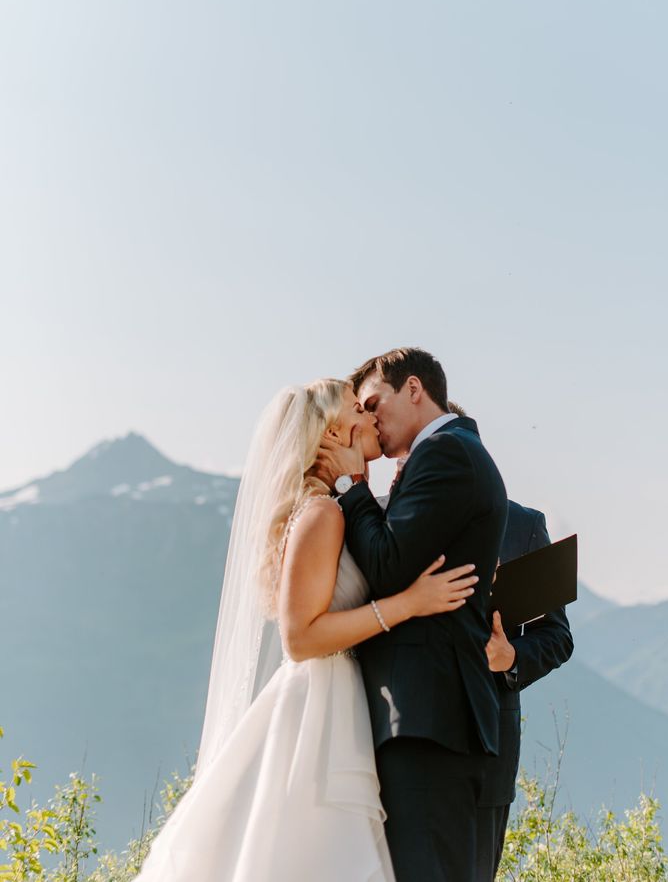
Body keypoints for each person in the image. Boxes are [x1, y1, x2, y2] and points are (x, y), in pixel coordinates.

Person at [133, 378, 479, 881]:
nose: (369, 417)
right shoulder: (322, 514)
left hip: (335, 697)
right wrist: (407, 604)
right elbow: (300, 638)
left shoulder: (331, 507)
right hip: (320, 706)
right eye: (356, 409)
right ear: (330, 434)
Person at [315, 348, 509, 882]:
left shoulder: (446, 453)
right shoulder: (444, 454)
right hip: (426, 717)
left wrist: (352, 488)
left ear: (415, 389)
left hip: (428, 719)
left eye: (375, 402)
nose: (369, 418)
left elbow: (386, 565)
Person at [484, 497, 574, 877]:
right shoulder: (388, 513)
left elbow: (558, 636)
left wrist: (511, 658)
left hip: (489, 752)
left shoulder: (522, 526)